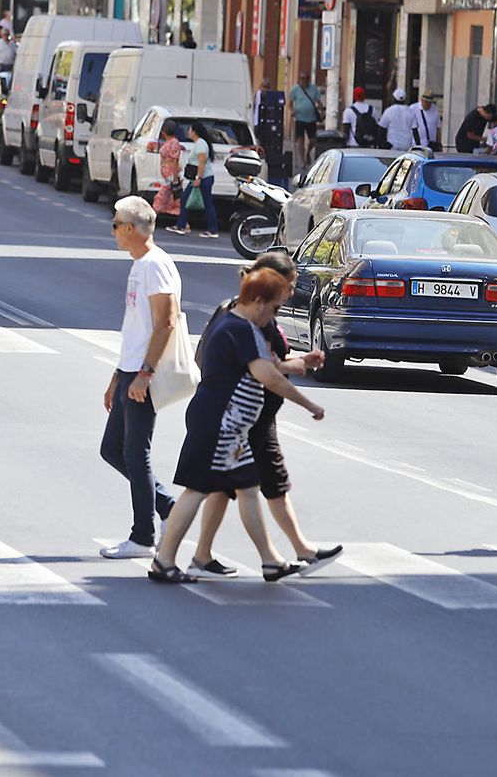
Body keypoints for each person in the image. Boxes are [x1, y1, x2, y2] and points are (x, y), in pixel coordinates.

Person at [147, 268, 326, 584]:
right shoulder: (239, 328)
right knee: (197, 490)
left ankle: (270, 561)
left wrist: (293, 364)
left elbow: (266, 367)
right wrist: (309, 404)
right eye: (272, 309)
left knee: (246, 488)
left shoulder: (238, 324)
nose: (272, 317)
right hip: (220, 423)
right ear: (258, 302)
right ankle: (164, 560)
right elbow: (267, 376)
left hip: (230, 427)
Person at [188, 252, 342, 579]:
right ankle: (290, 554)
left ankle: (204, 556)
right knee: (258, 483)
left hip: (246, 415)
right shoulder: (252, 317)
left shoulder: (246, 311)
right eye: (289, 285)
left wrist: (296, 362)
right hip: (247, 420)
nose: (290, 292)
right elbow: (264, 370)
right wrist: (305, 395)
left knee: (226, 487)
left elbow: (265, 363)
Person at [99, 196, 181, 559]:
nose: (113, 230)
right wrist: (118, 375)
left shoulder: (154, 266)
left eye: (116, 224)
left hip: (143, 372)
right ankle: (169, 508)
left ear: (130, 229)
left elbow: (166, 322)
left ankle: (143, 535)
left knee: (136, 453)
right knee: (113, 449)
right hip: (130, 370)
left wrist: (144, 374)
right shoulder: (140, 264)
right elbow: (136, 327)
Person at [169, 121, 218, 238]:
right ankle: (181, 225)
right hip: (199, 178)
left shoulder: (201, 144)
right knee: (185, 199)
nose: (188, 132)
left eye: (190, 129)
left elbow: (202, 161)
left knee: (207, 203)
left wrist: (198, 177)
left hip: (203, 178)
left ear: (194, 132)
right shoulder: (199, 143)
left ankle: (213, 229)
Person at [288, 74, 322, 166]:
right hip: (299, 118)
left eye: (306, 78)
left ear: (309, 79)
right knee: (300, 140)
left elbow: (319, 102)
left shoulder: (314, 89)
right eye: (302, 78)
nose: (304, 80)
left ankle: (308, 153)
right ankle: (302, 162)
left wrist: (321, 111)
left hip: (311, 119)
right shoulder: (295, 89)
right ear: (300, 79)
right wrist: (292, 111)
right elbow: (290, 103)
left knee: (313, 140)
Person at [151, 121, 183, 218]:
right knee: (171, 199)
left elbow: (174, 160)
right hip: (167, 174)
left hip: (170, 175)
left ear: (164, 131)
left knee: (162, 196)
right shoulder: (169, 142)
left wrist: (175, 176)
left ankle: (152, 215)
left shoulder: (173, 143)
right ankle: (183, 222)